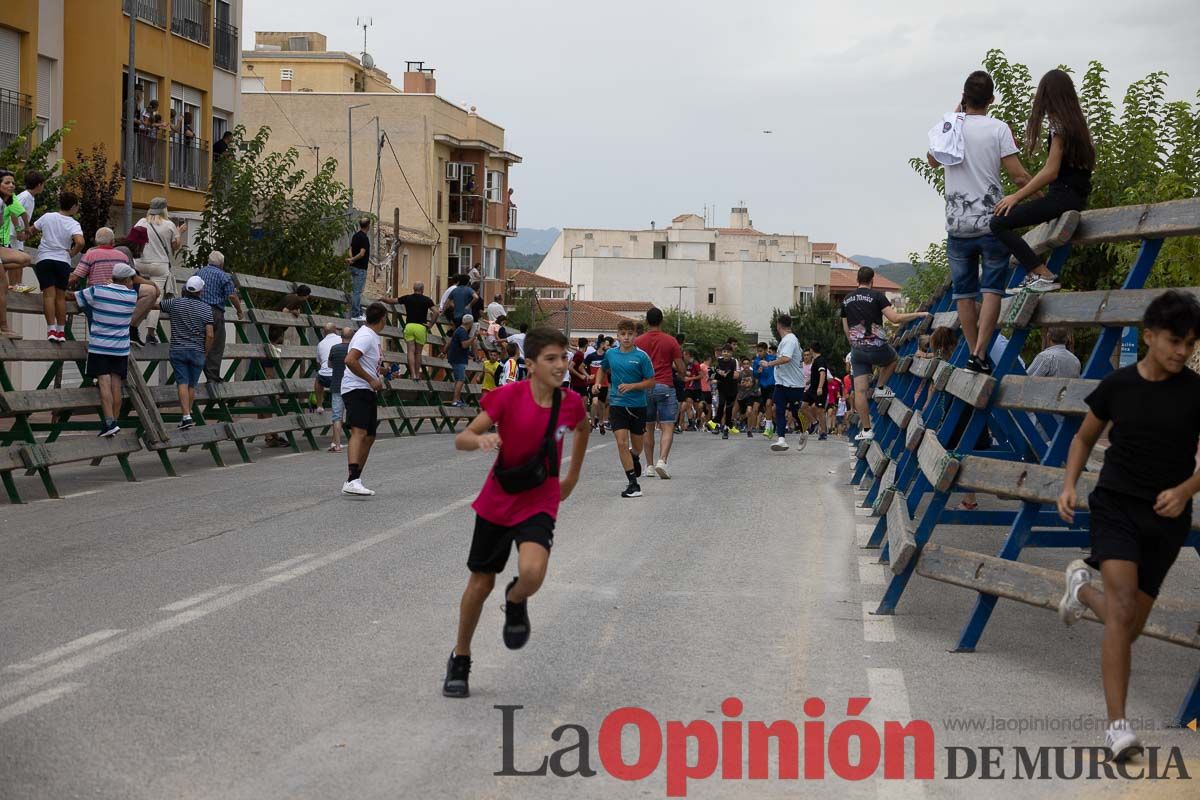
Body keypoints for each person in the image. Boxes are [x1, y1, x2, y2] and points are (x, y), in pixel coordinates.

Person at [1056, 291, 1200, 762]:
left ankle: (1079, 590)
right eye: (1175, 341)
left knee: (1128, 626)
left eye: (1191, 344)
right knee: (1120, 614)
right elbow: (1082, 438)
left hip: (1168, 518)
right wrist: (1069, 484)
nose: (1183, 352)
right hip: (1117, 506)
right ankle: (1117, 728)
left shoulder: (1196, 391)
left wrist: (1187, 490)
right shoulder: (1118, 386)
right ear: (1150, 336)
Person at [442, 327, 589, 698]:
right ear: (531, 364)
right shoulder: (507, 397)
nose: (560, 365)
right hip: (498, 499)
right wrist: (482, 439)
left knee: (533, 573)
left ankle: (516, 598)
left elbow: (583, 429)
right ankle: (460, 656)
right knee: (481, 583)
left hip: (540, 498)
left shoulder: (571, 403)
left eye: (564, 357)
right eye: (551, 359)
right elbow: (462, 439)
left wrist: (570, 476)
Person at [926, 70, 1031, 375]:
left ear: (964, 96)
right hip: (991, 221)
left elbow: (933, 160)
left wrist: (955, 116)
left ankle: (975, 355)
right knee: (992, 289)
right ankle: (979, 351)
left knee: (963, 293)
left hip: (957, 225)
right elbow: (1018, 176)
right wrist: (1029, 194)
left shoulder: (952, 129)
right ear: (992, 100)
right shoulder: (998, 129)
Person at [991, 69, 1094, 294]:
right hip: (1073, 197)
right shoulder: (1077, 124)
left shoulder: (1059, 127)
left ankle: (1041, 273)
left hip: (1063, 196)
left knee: (998, 222)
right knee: (1006, 220)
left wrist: (1016, 196)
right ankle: (1038, 273)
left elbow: (1051, 171)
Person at [842, 267, 930, 441]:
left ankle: (866, 429)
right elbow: (895, 319)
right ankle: (881, 387)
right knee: (893, 359)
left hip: (857, 350)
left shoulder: (846, 299)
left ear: (857, 280)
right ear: (872, 280)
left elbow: (845, 327)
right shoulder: (877, 296)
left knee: (859, 392)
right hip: (876, 347)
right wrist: (920, 313)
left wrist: (853, 343)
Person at [68, 264, 153, 437]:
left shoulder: (98, 291)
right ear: (127, 279)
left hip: (100, 346)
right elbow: (151, 290)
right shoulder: (131, 296)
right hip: (120, 349)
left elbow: (72, 297)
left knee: (104, 384)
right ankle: (114, 422)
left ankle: (109, 423)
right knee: (116, 386)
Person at [601, 318, 656, 498]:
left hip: (638, 406)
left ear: (635, 335)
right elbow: (603, 369)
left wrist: (632, 386)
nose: (626, 338)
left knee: (637, 446)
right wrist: (596, 383)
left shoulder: (642, 356)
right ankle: (633, 484)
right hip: (617, 404)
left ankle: (635, 457)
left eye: (630, 334)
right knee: (621, 442)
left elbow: (651, 381)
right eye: (623, 334)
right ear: (617, 336)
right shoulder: (610, 354)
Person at [341, 302, 387, 496]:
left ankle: (356, 477)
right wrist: (370, 379)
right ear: (383, 318)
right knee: (358, 432)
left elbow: (364, 362)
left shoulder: (371, 336)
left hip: (367, 389)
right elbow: (350, 360)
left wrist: (381, 372)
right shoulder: (366, 336)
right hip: (356, 388)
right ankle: (352, 479)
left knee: (369, 436)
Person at [157, 276, 214, 429]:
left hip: (178, 349)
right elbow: (210, 334)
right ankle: (187, 415)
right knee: (191, 386)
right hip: (197, 351)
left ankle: (186, 416)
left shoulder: (175, 303)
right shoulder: (206, 308)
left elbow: (157, 305)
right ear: (200, 291)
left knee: (182, 382)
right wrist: (205, 351)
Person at [635, 307, 684, 478]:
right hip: (665, 386)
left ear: (647, 321)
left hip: (644, 387)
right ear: (662, 321)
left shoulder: (638, 342)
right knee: (667, 425)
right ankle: (662, 461)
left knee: (648, 427)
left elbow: (634, 365)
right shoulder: (671, 341)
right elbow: (680, 367)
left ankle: (648, 465)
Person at [32, 191, 84, 342]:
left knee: (49, 296)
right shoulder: (74, 223)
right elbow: (80, 242)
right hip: (62, 261)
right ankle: (61, 332)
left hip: (45, 259)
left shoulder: (48, 217)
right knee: (60, 297)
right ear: (73, 206)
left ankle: (51, 330)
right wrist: (72, 253)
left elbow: (32, 230)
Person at [133, 197, 185, 344]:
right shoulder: (169, 225)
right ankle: (150, 333)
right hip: (159, 265)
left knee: (139, 293)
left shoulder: (141, 222)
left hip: (140, 263)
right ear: (164, 209)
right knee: (156, 298)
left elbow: (134, 241)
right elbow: (175, 247)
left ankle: (132, 325)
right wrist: (179, 232)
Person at [193, 251, 244, 383]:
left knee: (197, 342)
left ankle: (193, 374)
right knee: (216, 345)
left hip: (197, 310)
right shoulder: (223, 276)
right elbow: (232, 296)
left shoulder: (198, 273)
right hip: (214, 312)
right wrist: (239, 310)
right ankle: (212, 376)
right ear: (221, 263)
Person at [769, 314, 809, 451]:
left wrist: (769, 364)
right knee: (778, 409)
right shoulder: (786, 340)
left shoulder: (790, 340)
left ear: (778, 325)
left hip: (794, 384)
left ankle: (804, 430)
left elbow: (786, 358)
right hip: (781, 383)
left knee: (796, 411)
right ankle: (781, 439)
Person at [391, 282, 437, 379]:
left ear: (413, 288)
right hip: (421, 327)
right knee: (418, 353)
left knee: (410, 352)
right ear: (422, 289)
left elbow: (393, 301)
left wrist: (382, 299)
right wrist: (431, 324)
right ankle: (417, 374)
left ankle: (412, 374)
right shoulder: (427, 300)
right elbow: (436, 312)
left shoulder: (408, 298)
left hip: (409, 326)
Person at [0, 169, 33, 301]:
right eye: (7, 183)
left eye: (13, 183)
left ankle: (14, 284)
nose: (12, 185)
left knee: (25, 259)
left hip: (4, 241)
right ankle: (15, 284)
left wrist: (26, 228)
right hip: (8, 239)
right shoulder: (25, 196)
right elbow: (14, 214)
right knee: (3, 285)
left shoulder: (11, 198)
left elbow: (21, 213)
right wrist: (19, 230)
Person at [325, 327, 352, 453]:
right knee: (354, 414)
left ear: (341, 336)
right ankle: (355, 442)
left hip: (336, 385)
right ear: (352, 337)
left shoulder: (334, 348)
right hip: (351, 386)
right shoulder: (353, 350)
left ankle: (337, 445)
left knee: (337, 416)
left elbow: (329, 365)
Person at [12, 170, 44, 261]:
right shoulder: (25, 196)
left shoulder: (29, 197)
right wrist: (18, 231)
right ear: (39, 185)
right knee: (17, 263)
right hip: (12, 235)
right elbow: (13, 212)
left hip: (16, 236)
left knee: (18, 264)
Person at [802, 341, 830, 440]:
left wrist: (820, 387)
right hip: (811, 389)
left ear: (811, 350)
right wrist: (809, 381)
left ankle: (823, 432)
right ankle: (814, 423)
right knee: (803, 407)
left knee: (820, 411)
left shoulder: (820, 361)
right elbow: (816, 375)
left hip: (819, 390)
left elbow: (822, 374)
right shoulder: (815, 360)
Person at [712, 345, 739, 439]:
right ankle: (717, 424)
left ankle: (726, 429)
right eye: (724, 351)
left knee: (728, 409)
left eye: (728, 352)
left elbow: (736, 373)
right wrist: (716, 375)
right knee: (721, 404)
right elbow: (714, 370)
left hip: (732, 388)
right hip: (722, 387)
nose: (726, 353)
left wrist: (735, 374)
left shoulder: (734, 361)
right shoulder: (719, 360)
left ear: (731, 353)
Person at [447, 313, 474, 407]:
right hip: (458, 359)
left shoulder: (459, 330)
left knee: (459, 379)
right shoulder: (462, 331)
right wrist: (473, 337)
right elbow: (464, 345)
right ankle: (455, 400)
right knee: (460, 380)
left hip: (456, 357)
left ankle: (457, 399)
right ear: (470, 323)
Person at [346, 219, 371, 320]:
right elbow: (362, 253)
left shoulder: (355, 236)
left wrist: (351, 259)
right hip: (361, 268)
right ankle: (355, 314)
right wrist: (353, 259)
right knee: (357, 291)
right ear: (368, 226)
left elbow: (350, 249)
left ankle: (359, 311)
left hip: (353, 267)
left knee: (355, 290)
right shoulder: (364, 238)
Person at [585, 337, 610, 433]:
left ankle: (601, 423)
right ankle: (591, 422)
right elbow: (581, 367)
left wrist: (607, 371)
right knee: (594, 402)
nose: (607, 347)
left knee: (601, 405)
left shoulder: (607, 357)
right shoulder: (591, 356)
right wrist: (588, 375)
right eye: (605, 345)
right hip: (593, 384)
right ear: (601, 345)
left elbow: (609, 370)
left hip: (604, 383)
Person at [315, 323, 342, 411]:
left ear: (324, 333)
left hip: (324, 377)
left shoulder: (320, 344)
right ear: (335, 331)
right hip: (339, 377)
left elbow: (319, 363)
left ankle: (319, 405)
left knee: (318, 379)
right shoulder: (341, 340)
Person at [753, 342, 777, 436]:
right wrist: (758, 372)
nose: (759, 353)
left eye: (761, 351)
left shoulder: (772, 359)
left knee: (768, 404)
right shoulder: (756, 361)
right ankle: (770, 426)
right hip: (763, 386)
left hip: (772, 384)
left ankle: (768, 427)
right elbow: (754, 374)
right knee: (766, 407)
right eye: (758, 351)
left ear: (766, 350)